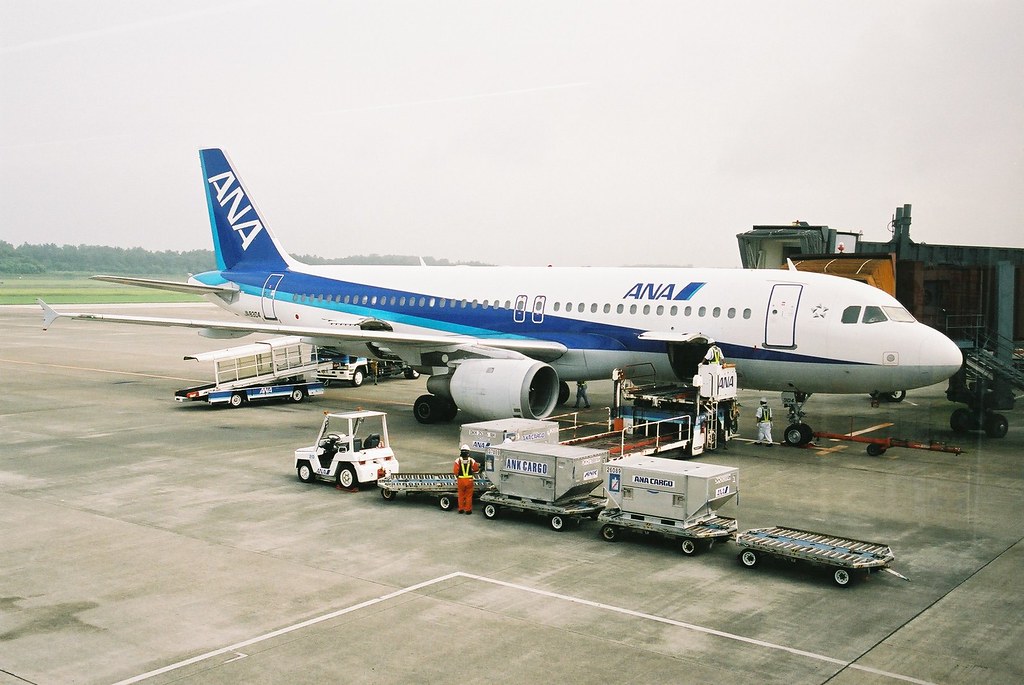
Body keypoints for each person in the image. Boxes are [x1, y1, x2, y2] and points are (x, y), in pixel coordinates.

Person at [453, 445, 480, 514]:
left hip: (461, 480)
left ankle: (461, 509)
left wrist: (458, 476)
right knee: (469, 496)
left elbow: (455, 471)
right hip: (469, 480)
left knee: (461, 495)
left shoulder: (457, 460)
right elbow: (476, 469)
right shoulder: (471, 460)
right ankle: (468, 510)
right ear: (468, 452)